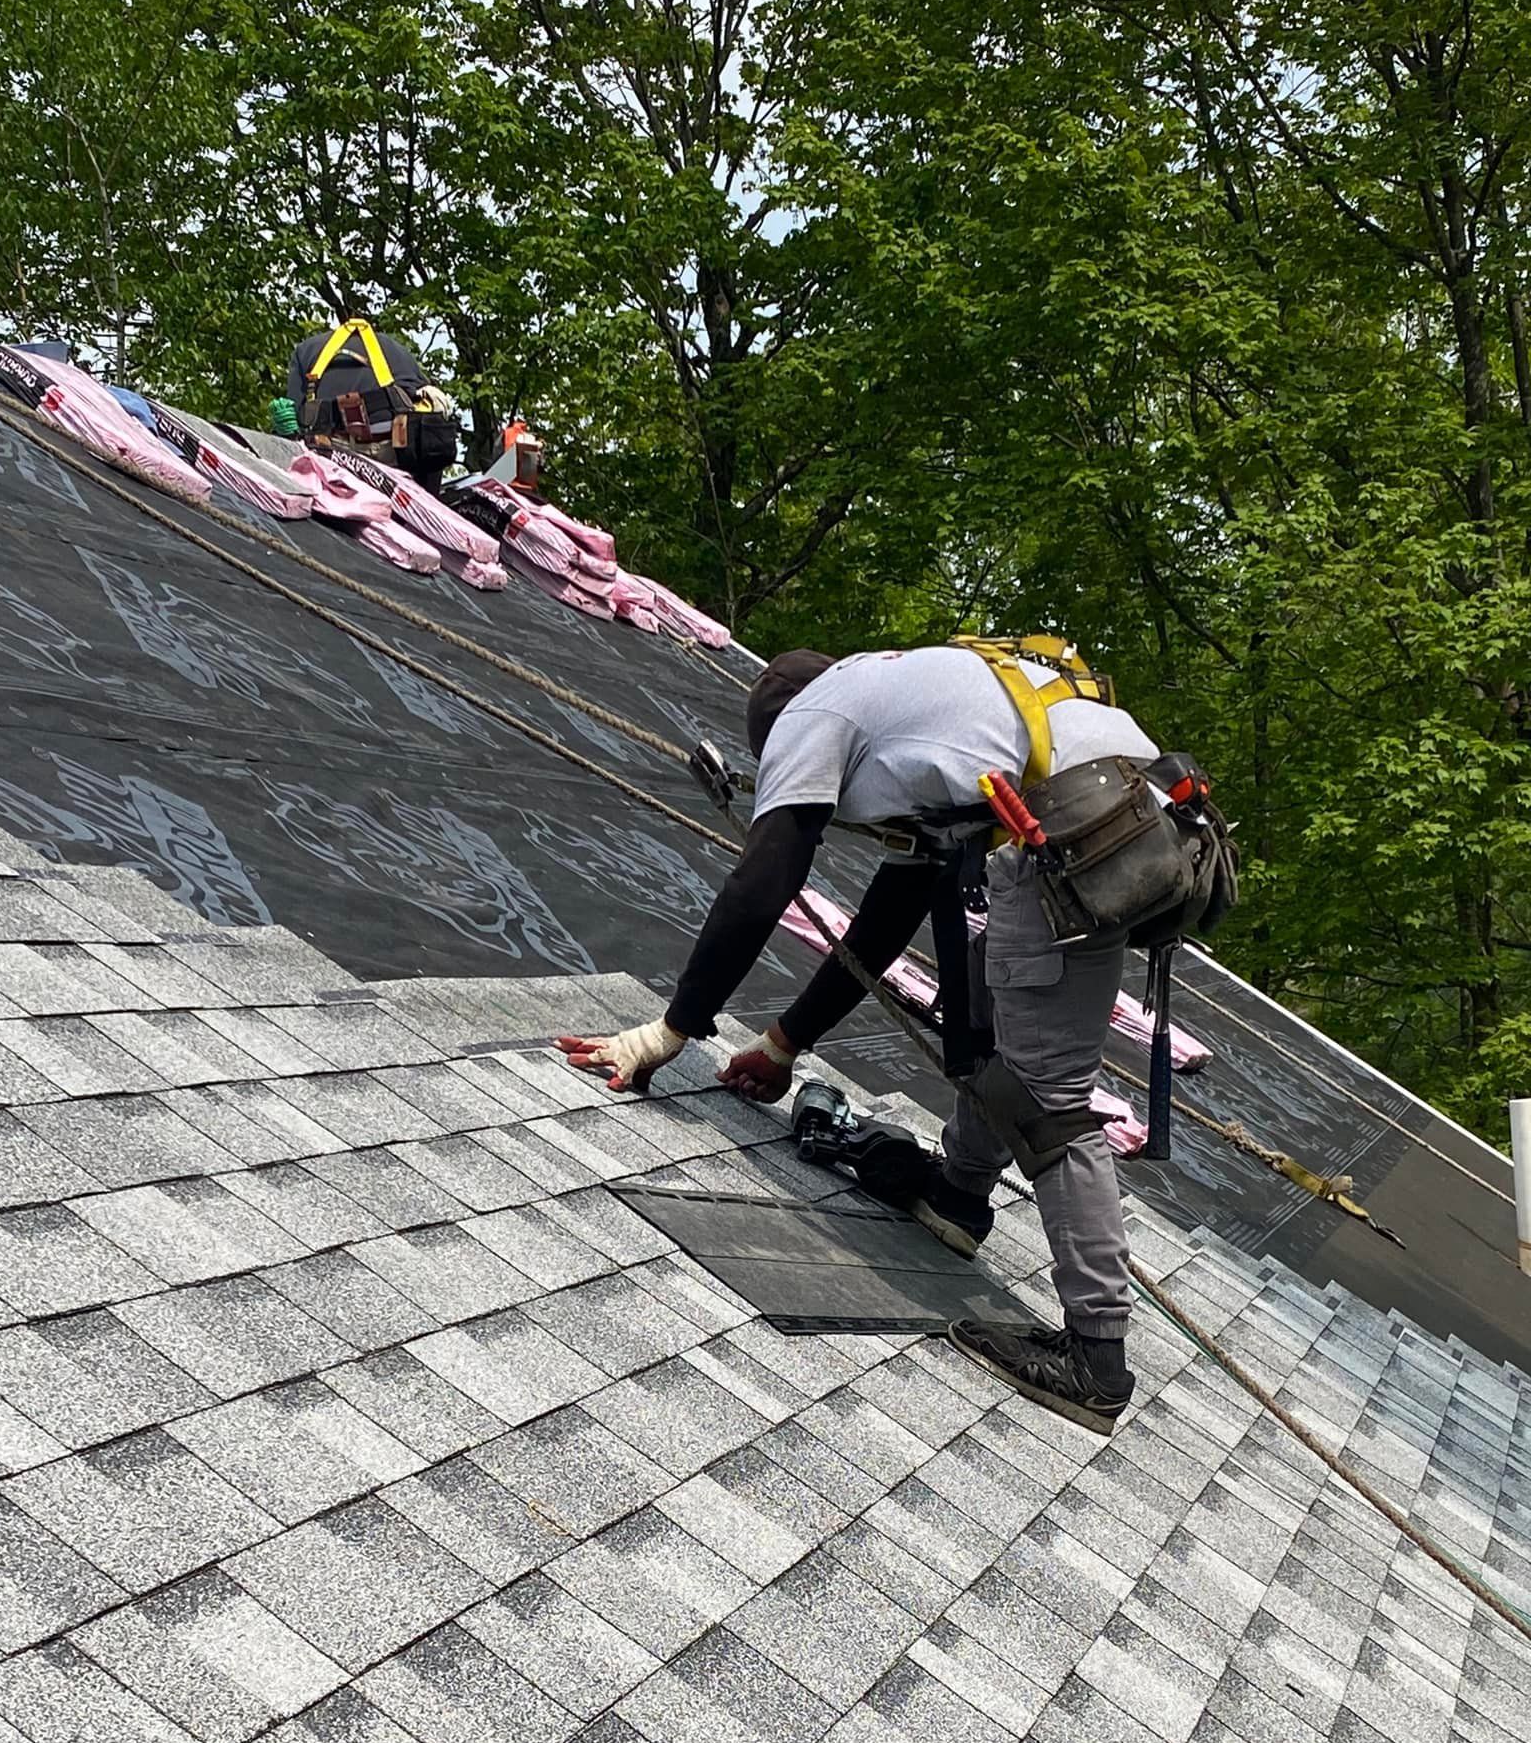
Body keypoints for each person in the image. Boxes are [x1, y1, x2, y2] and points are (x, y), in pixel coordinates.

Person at [558, 640, 1168, 1434]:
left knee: (1048, 1100)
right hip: (1120, 824)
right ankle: (958, 1193)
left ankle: (1096, 1357)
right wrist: (783, 1044)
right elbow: (892, 909)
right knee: (987, 1000)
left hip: (1079, 843)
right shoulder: (916, 700)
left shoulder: (813, 717)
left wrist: (670, 1031)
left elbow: (765, 879)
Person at [284, 318, 458, 493]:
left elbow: (292, 420)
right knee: (430, 438)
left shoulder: (307, 350)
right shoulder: (397, 350)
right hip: (397, 449)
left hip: (331, 453)